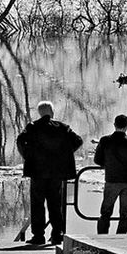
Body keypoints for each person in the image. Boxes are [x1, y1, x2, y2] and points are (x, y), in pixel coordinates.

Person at [16, 100, 83, 245]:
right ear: (52, 112)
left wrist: (27, 156)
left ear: (40, 113)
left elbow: (20, 140)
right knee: (55, 203)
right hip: (56, 172)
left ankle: (38, 236)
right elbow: (78, 140)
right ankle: (57, 234)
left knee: (37, 204)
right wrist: (64, 154)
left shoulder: (33, 127)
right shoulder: (62, 128)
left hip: (37, 171)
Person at [94, 114, 127, 234]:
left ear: (114, 125)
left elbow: (97, 160)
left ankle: (102, 238)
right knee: (124, 214)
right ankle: (121, 238)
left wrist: (108, 165)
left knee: (105, 212)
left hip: (111, 180)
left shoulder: (105, 141)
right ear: (126, 126)